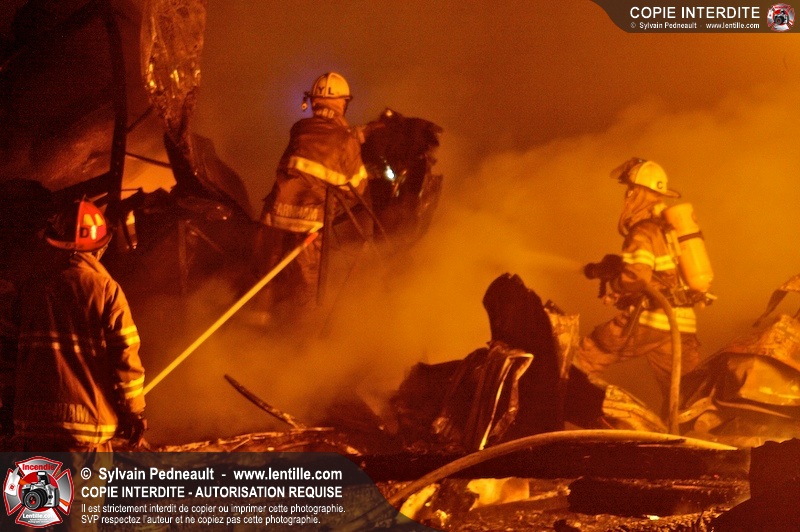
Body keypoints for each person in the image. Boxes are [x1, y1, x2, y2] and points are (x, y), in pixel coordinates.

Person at [0, 198, 146, 452]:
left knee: (36, 481)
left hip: (31, 430)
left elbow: (7, 356)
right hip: (87, 434)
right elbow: (125, 357)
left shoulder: (27, 288)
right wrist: (134, 412)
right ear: (100, 247)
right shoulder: (106, 290)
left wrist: (8, 407)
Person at [573, 158, 706, 413]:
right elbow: (660, 275)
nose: (627, 195)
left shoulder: (643, 232)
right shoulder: (668, 230)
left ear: (635, 193)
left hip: (652, 320)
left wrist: (615, 286)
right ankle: (693, 432)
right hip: (681, 324)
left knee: (587, 355)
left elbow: (637, 277)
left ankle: (554, 411)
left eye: (630, 190)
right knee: (686, 395)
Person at [254, 72, 368, 319]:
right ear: (343, 103)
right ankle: (301, 333)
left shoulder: (299, 129)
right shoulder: (346, 140)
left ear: (313, 101)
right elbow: (358, 188)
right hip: (310, 226)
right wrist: (355, 143)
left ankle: (256, 323)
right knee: (307, 285)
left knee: (267, 276)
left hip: (274, 219)